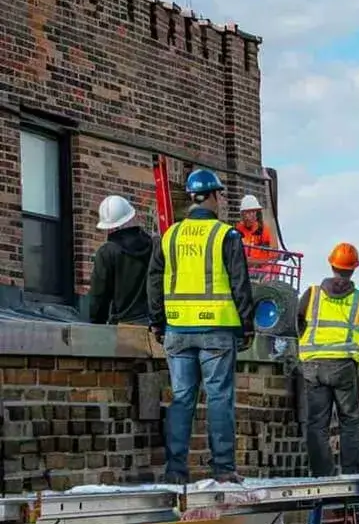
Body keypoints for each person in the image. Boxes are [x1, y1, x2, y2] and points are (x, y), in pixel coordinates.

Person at [146, 168, 255, 485]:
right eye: (220, 194)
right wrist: (246, 326)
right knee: (219, 398)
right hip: (217, 330)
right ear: (212, 196)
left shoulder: (170, 236)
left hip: (178, 330)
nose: (221, 200)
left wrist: (157, 321)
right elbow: (240, 284)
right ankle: (222, 468)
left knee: (181, 399)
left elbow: (154, 282)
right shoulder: (226, 235)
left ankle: (175, 469)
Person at [297, 242, 359, 477]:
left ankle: (322, 474)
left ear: (331, 264)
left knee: (316, 424)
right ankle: (352, 473)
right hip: (345, 367)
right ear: (355, 268)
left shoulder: (311, 294)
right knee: (349, 421)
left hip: (313, 366)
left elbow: (297, 324)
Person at [87, 195, 154, 325]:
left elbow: (99, 295)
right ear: (131, 216)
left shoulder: (107, 252)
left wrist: (96, 324)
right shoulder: (154, 245)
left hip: (122, 326)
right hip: (153, 324)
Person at [234, 194, 279, 278]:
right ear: (242, 214)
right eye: (247, 212)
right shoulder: (237, 230)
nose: (251, 215)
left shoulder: (264, 230)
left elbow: (272, 256)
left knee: (274, 269)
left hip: (261, 271)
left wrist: (255, 262)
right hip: (244, 270)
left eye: (253, 212)